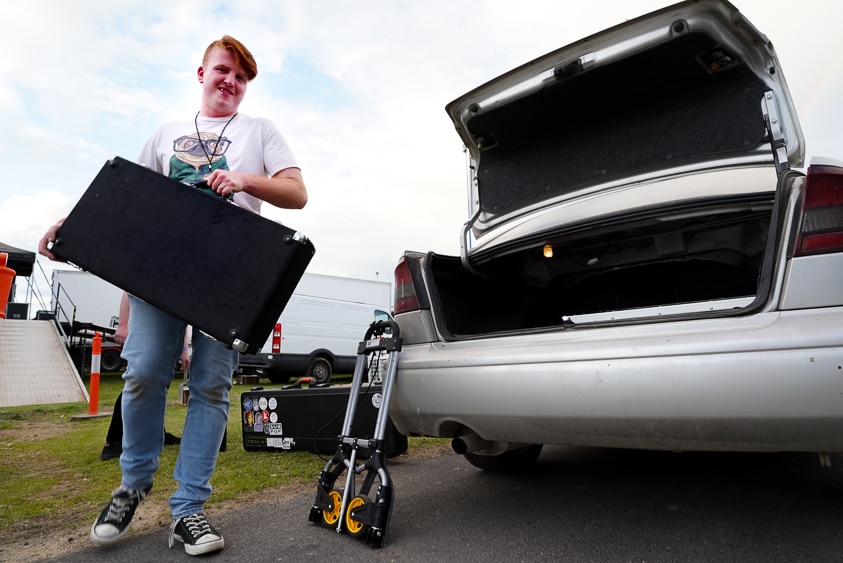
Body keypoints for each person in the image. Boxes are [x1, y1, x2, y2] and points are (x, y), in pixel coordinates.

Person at [39, 35, 307, 556]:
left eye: (242, 77)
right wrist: (74, 225)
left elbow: (296, 192)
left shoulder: (260, 131)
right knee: (143, 374)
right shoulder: (166, 133)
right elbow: (129, 204)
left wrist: (245, 179)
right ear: (201, 73)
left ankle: (188, 511)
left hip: (228, 280)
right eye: (224, 70)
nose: (231, 82)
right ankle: (131, 486)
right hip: (161, 274)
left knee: (209, 387)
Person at [100, 294, 184, 461]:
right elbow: (127, 291)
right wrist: (123, 325)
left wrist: (184, 349)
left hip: (169, 331)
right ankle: (114, 441)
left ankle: (158, 432)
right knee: (139, 381)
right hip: (147, 330)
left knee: (158, 386)